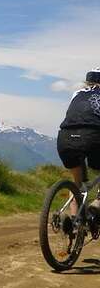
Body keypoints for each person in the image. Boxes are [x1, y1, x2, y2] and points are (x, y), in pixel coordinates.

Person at [58, 68, 100, 215]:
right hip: (93, 136)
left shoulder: (77, 94)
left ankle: (73, 219)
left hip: (65, 137)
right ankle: (98, 201)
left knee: (77, 182)